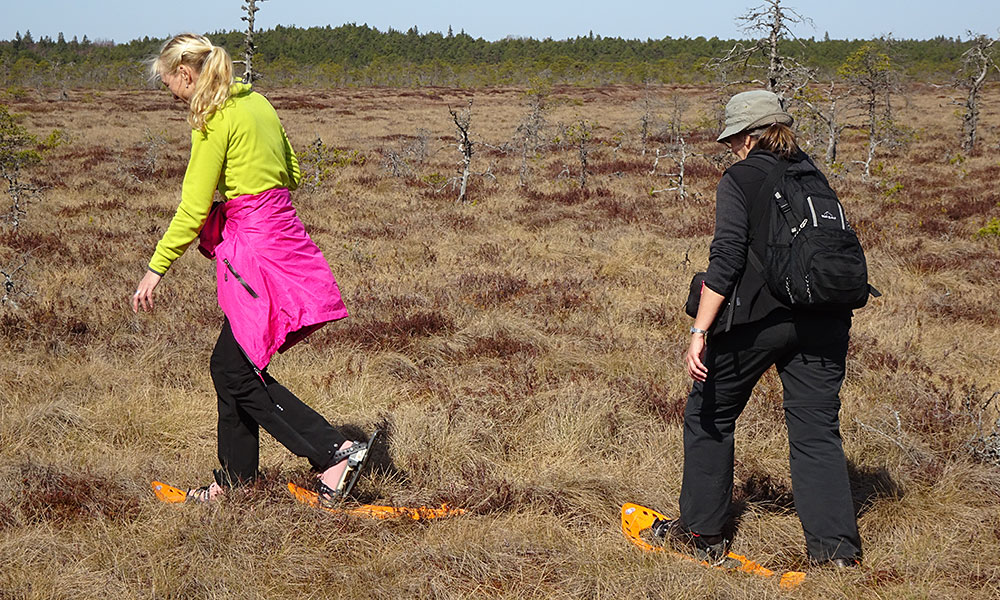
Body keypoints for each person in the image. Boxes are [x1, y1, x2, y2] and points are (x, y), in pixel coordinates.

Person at [132, 33, 372, 504]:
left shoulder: (214, 118)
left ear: (187, 74)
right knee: (229, 365)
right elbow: (295, 173)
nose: (170, 94)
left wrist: (155, 269)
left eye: (168, 85)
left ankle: (333, 451)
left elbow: (192, 207)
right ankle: (236, 482)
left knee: (236, 371)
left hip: (256, 252)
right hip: (284, 236)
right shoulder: (258, 102)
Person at [652, 90, 862, 567]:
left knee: (709, 415)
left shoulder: (742, 178)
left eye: (732, 141)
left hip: (759, 320)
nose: (730, 148)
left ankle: (702, 535)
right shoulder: (812, 174)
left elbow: (725, 259)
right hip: (825, 318)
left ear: (747, 137)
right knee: (816, 432)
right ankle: (836, 557)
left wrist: (699, 332)